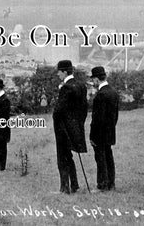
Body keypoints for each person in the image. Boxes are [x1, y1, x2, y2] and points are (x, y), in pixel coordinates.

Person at [54, 60, 88, 193]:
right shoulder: (81, 86)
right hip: (76, 128)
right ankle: (74, 185)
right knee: (69, 157)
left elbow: (58, 111)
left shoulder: (66, 87)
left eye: (59, 71)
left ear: (65, 72)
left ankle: (64, 188)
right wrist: (78, 124)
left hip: (63, 129)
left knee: (62, 158)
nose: (58, 74)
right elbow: (84, 109)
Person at [90, 66, 119, 191]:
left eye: (93, 80)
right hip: (110, 131)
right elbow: (115, 115)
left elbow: (97, 119)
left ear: (97, 79)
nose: (93, 82)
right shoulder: (113, 92)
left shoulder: (100, 95)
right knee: (109, 157)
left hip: (100, 133)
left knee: (100, 159)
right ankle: (110, 184)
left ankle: (102, 185)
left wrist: (93, 136)